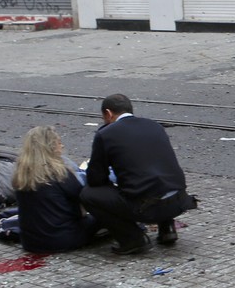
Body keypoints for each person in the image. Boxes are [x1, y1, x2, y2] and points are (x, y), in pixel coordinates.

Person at [80, 94, 197, 255]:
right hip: (179, 201)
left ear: (108, 113)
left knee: (89, 195)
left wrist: (113, 184)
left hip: (147, 207)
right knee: (156, 176)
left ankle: (132, 239)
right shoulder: (154, 126)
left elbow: (96, 179)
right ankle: (167, 229)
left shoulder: (106, 134)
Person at [12, 126, 100, 253]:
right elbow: (82, 196)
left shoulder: (21, 173)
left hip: (30, 242)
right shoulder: (59, 173)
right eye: (59, 143)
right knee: (105, 214)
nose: (62, 146)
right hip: (63, 238)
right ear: (51, 147)